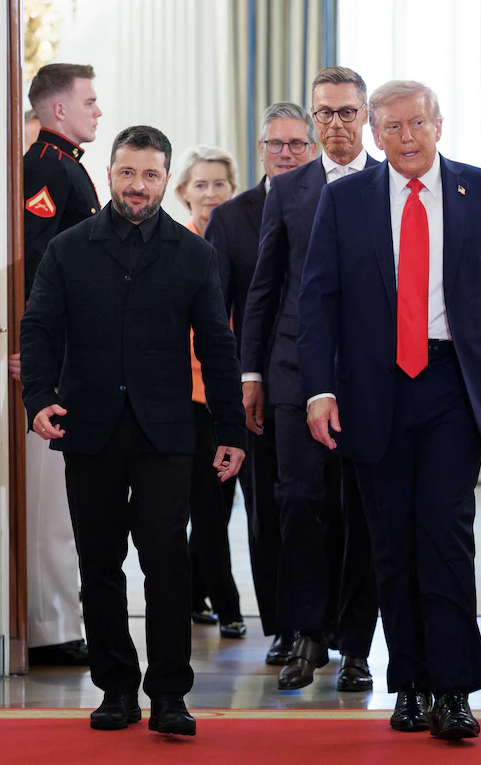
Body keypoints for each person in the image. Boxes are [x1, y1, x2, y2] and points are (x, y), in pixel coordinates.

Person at [298, 80, 481, 740]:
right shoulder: (345, 199)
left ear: (439, 125)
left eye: (418, 124)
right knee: (391, 541)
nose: (407, 138)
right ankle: (409, 683)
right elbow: (317, 301)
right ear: (374, 135)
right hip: (371, 391)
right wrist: (319, 389)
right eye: (393, 128)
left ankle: (454, 689)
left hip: (454, 383)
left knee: (445, 532)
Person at [20, 125, 246, 736]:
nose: (137, 185)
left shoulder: (194, 254)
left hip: (166, 435)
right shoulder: (68, 249)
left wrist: (230, 428)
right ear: (111, 175)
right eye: (127, 172)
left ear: (165, 179)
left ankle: (170, 694)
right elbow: (38, 328)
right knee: (99, 563)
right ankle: (116, 689)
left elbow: (218, 346)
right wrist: (37, 397)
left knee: (167, 562)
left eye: (149, 174)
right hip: (88, 430)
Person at [241, 66, 379, 692]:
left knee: (362, 512)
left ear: (365, 115)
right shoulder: (289, 188)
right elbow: (264, 287)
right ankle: (306, 633)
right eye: (325, 112)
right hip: (294, 371)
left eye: (347, 112)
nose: (336, 124)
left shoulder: (389, 182)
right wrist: (251, 372)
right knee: (298, 503)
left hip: (370, 376)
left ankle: (356, 645)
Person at [205, 102, 319, 664]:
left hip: (324, 386)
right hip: (259, 395)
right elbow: (215, 316)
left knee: (323, 509)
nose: (286, 154)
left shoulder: (334, 201)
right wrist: (235, 391)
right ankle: (283, 625)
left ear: (312, 149)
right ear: (260, 150)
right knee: (266, 514)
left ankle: (329, 628)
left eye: (297, 144)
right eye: (277, 144)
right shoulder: (232, 218)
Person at [13, 63, 103, 668]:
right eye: (89, 101)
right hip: (59, 356)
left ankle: (61, 620)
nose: (98, 110)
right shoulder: (48, 165)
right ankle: (50, 628)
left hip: (75, 351)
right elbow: (38, 263)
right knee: (52, 506)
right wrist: (40, 352)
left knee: (68, 505)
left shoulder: (66, 163)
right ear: (60, 109)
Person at [172, 145, 246, 639]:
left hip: (236, 392)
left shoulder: (242, 243)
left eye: (220, 183)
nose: (211, 193)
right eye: (201, 184)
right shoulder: (178, 246)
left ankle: (196, 593)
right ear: (184, 192)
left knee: (221, 501)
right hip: (190, 395)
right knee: (208, 504)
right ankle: (228, 603)